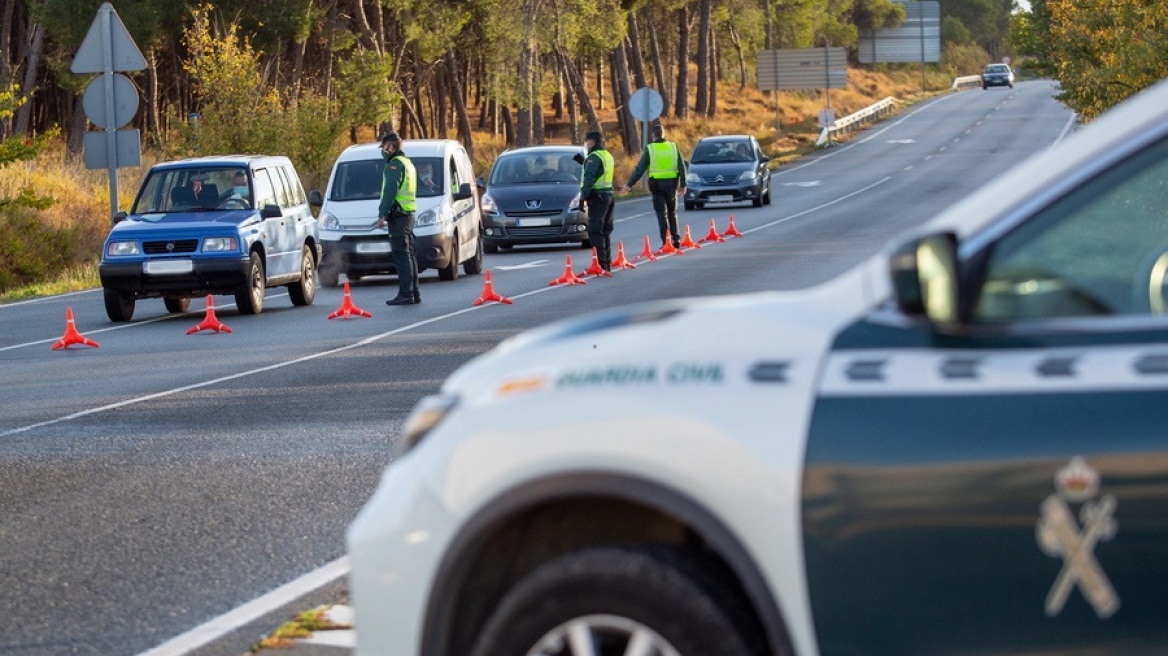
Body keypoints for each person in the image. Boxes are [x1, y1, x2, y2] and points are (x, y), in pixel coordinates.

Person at [619, 124, 687, 249]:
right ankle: (676, 239)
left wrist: (629, 185)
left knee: (662, 214)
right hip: (672, 184)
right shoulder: (673, 147)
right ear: (664, 134)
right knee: (672, 212)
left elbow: (640, 169)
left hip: (657, 186)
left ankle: (666, 241)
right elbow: (682, 166)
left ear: (653, 135)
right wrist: (683, 184)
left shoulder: (650, 149)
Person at [376, 132, 420, 305]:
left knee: (402, 255)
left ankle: (406, 293)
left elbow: (390, 190)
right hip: (408, 214)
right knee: (409, 254)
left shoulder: (395, 164)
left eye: (383, 147)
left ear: (390, 146)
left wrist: (382, 213)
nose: (382, 151)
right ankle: (414, 292)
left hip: (399, 214)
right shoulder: (407, 162)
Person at [579, 129, 616, 271]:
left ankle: (599, 264)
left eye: (587, 141)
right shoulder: (607, 155)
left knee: (595, 231)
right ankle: (606, 263)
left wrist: (583, 196)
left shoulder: (593, 157)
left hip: (598, 197)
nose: (586, 144)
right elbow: (601, 172)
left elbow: (589, 177)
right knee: (605, 230)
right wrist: (583, 162)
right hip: (609, 195)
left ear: (592, 142)